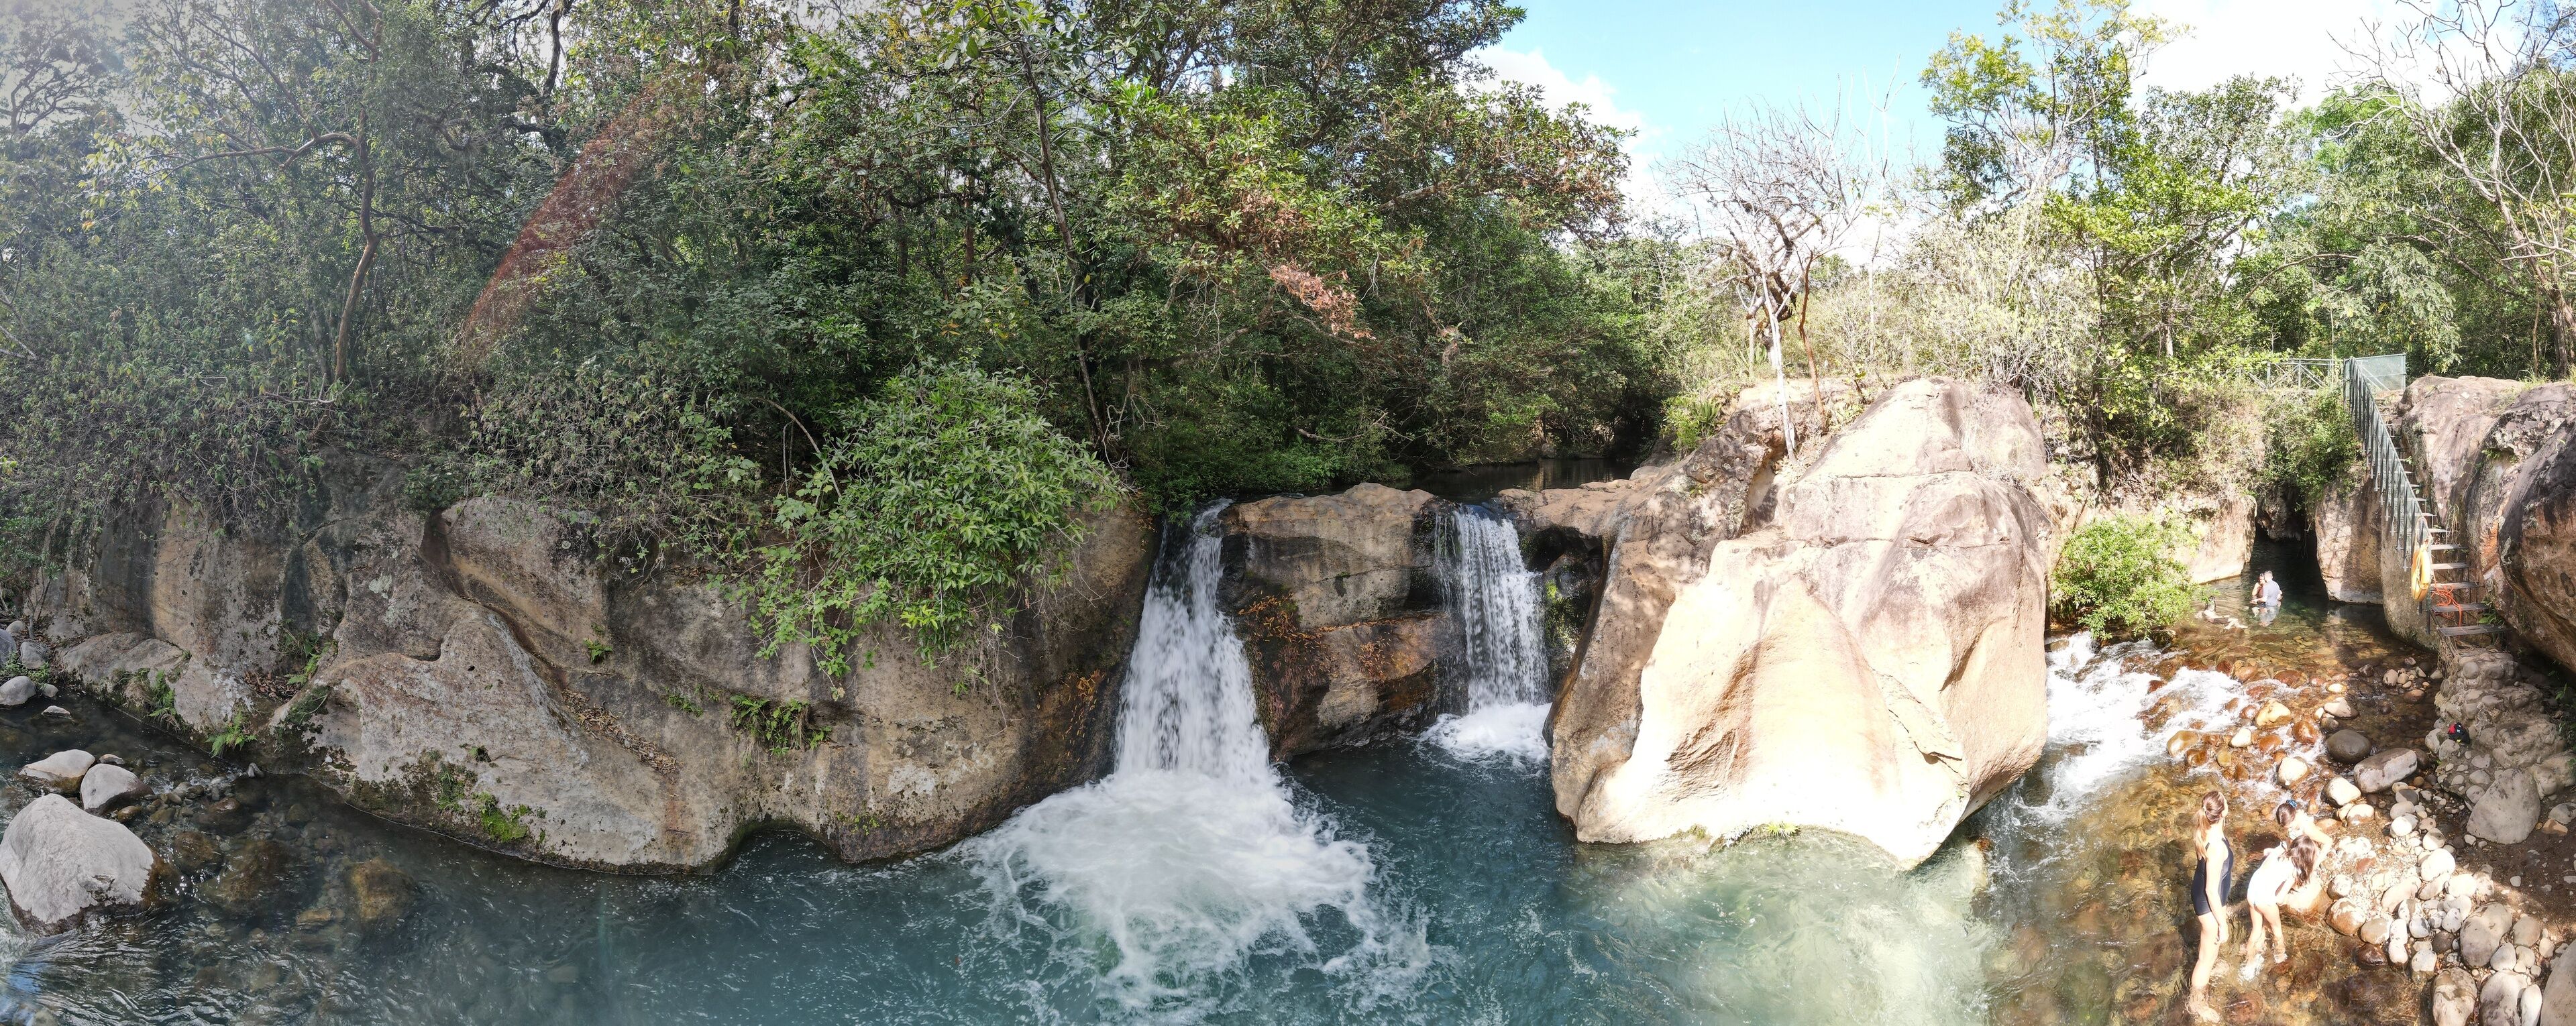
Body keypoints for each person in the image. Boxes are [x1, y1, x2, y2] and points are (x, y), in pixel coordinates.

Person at [2187, 790, 2235, 1021]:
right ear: (2222, 812)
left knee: (2211, 949)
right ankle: (2196, 1004)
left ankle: (2209, 967)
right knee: (2205, 958)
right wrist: (2223, 925)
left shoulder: (2206, 828)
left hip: (2208, 893)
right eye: (2225, 800)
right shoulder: (2217, 847)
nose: (2227, 801)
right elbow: (2210, 890)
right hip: (2207, 901)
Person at [2243, 835, 2322, 972]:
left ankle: (2249, 965)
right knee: (2277, 930)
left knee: (2256, 930)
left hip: (2252, 891)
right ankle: (2279, 956)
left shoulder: (2279, 850)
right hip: (2264, 899)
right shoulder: (2294, 871)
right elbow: (2279, 899)